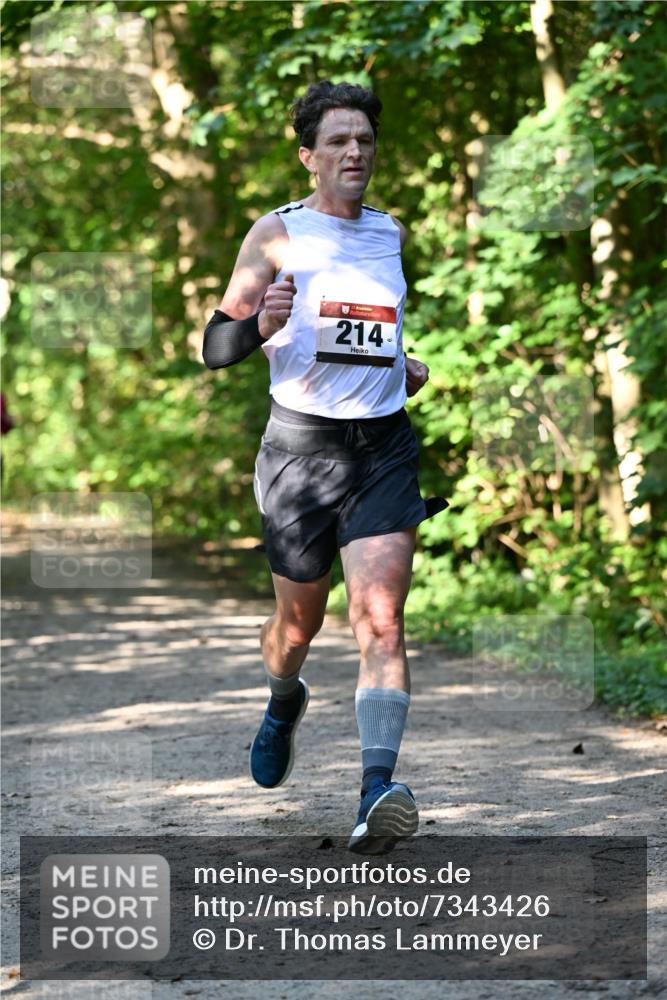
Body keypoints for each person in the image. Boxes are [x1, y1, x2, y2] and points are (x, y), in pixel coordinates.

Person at [203, 80, 447, 854]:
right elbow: (212, 346)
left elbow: (368, 329)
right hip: (300, 458)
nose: (354, 152)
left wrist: (400, 363)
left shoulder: (389, 233)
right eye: (338, 141)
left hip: (382, 450)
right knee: (297, 626)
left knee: (380, 619)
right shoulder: (277, 234)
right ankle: (283, 699)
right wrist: (258, 325)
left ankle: (376, 790)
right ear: (308, 156)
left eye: (365, 140)